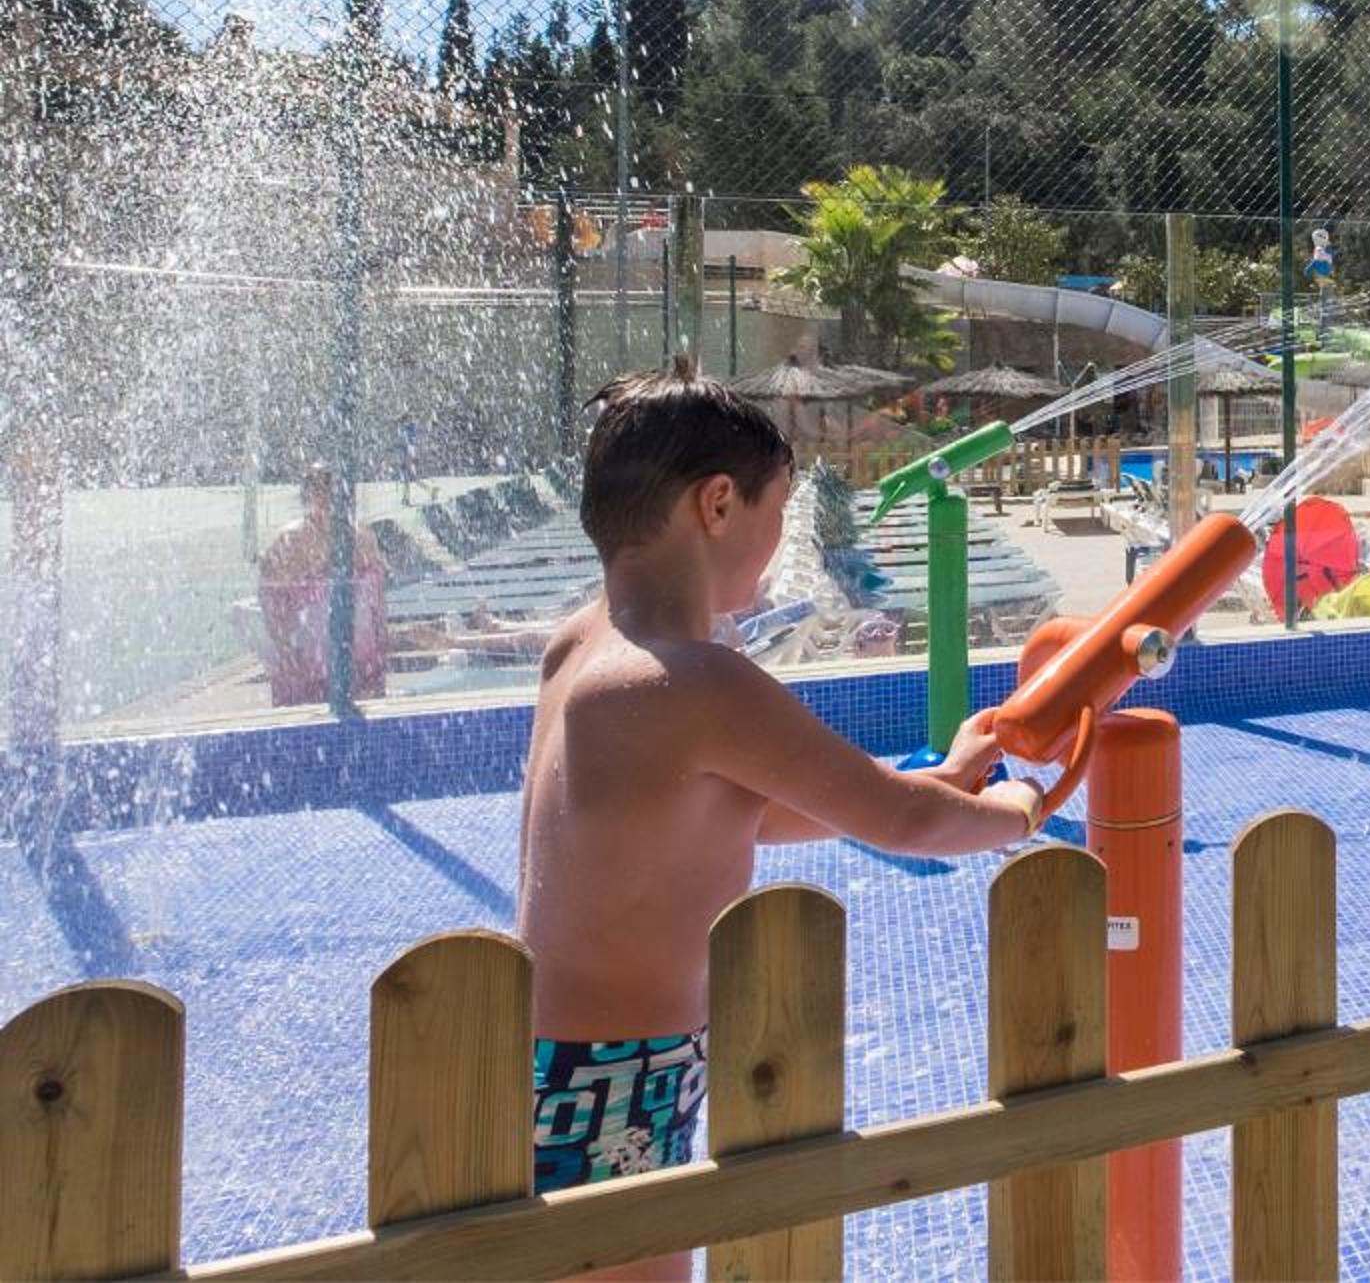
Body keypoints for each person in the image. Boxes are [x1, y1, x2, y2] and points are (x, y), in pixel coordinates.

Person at [518, 362, 1041, 1278]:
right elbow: (901, 824)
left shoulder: (584, 647)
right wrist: (1015, 811)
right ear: (719, 503)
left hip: (554, 1052)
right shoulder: (691, 680)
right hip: (619, 1071)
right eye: (781, 511)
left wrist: (944, 778)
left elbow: (739, 813)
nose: (780, 541)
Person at [255, 465, 390, 706]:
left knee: (365, 712)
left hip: (361, 655)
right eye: (319, 490)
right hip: (308, 658)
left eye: (331, 490)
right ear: (307, 496)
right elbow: (272, 606)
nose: (326, 497)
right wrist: (286, 651)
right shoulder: (288, 542)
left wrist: (381, 641)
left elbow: (376, 600)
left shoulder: (361, 536)